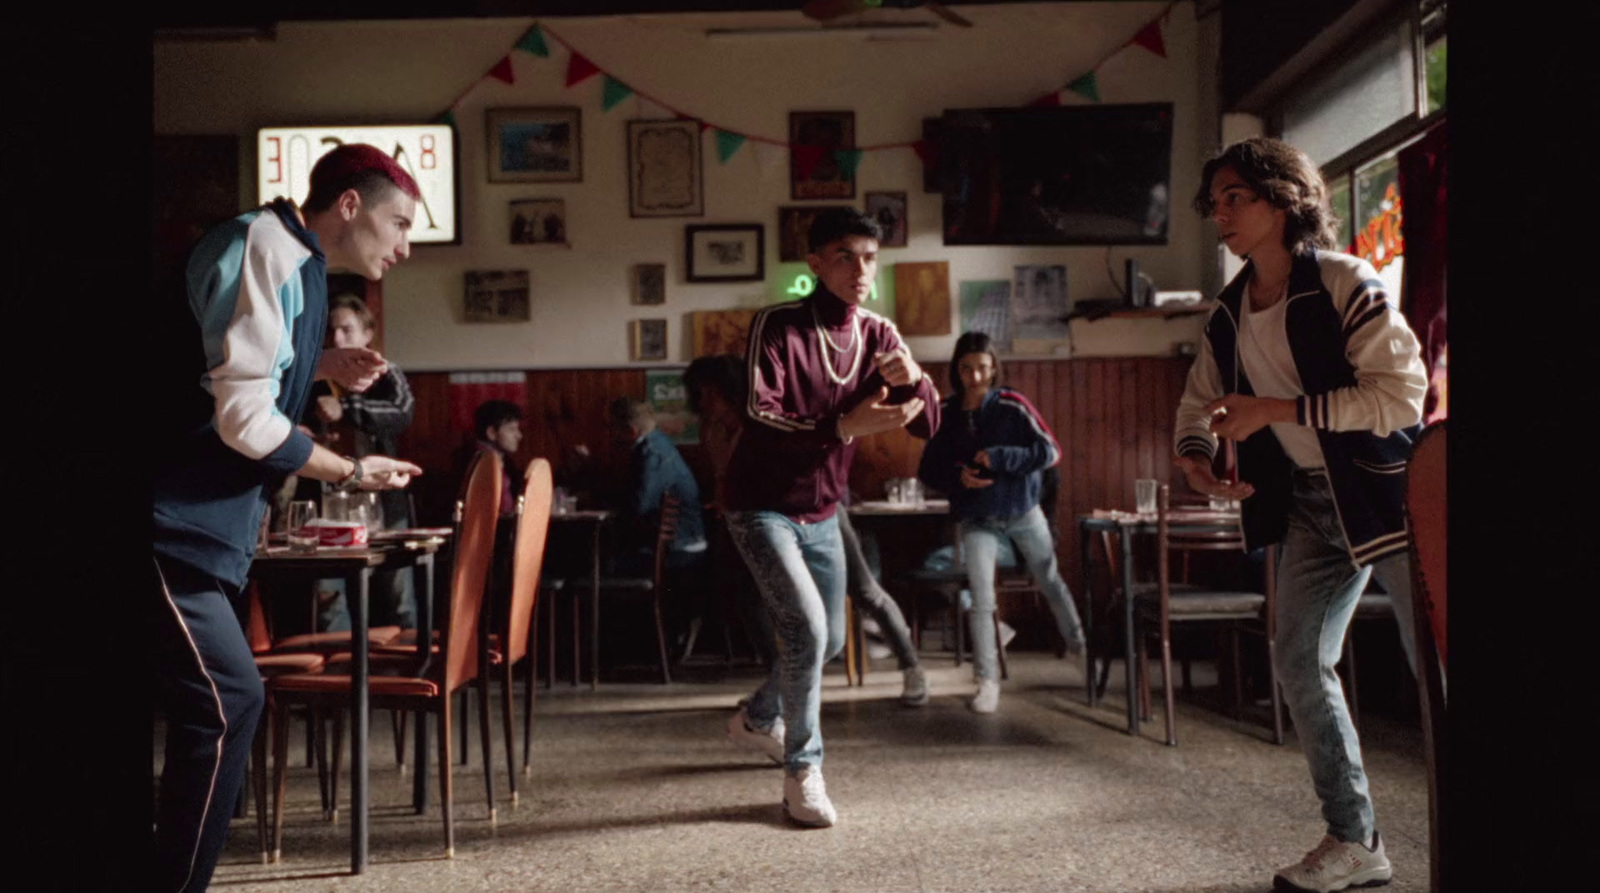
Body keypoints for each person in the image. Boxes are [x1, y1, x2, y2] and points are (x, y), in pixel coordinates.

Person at [149, 143, 424, 893]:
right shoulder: (262, 244)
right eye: (398, 223)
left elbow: (247, 373)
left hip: (199, 531)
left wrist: (323, 368)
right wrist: (351, 469)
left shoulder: (295, 259)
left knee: (220, 705)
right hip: (167, 524)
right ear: (349, 206)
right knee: (230, 701)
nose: (404, 244)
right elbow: (242, 415)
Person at [1176, 136, 1427, 893]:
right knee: (1298, 658)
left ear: (1283, 198)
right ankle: (1356, 838)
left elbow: (1403, 395)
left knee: (1438, 671)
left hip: (1394, 496)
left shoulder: (1348, 279)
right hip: (1311, 506)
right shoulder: (1226, 312)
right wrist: (1195, 454)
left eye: (1234, 197)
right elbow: (1199, 399)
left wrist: (1276, 410)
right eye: (1214, 201)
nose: (1219, 214)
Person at [720, 208, 940, 827]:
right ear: (814, 263)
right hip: (760, 505)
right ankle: (802, 772)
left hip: (823, 509)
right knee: (810, 633)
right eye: (845, 255)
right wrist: (843, 426)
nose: (860, 268)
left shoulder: (879, 332)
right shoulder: (777, 325)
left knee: (832, 640)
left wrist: (917, 381)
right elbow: (760, 415)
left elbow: (928, 425)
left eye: (870, 256)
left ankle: (759, 717)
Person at [685, 354, 929, 706]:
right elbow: (725, 479)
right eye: (699, 392)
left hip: (816, 512)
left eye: (709, 391)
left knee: (864, 590)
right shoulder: (712, 431)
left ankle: (912, 667)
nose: (703, 400)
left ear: (728, 391)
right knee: (749, 595)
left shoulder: (763, 421)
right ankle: (781, 686)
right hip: (764, 521)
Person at [917, 331, 1085, 714]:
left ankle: (1078, 648)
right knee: (981, 600)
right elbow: (927, 468)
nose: (974, 376)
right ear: (956, 370)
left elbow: (1050, 451)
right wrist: (960, 474)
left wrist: (1000, 456)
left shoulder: (1013, 404)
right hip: (977, 520)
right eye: (966, 369)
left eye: (981, 368)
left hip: (1024, 513)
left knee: (1050, 580)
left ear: (993, 368)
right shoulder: (945, 413)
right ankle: (987, 680)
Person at [306, 292, 418, 630]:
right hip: (325, 504)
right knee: (329, 600)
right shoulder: (310, 375)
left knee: (399, 597)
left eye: (347, 330)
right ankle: (339, 681)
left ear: (368, 334)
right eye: (330, 331)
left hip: (383, 502)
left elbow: (402, 412)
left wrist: (348, 409)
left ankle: (411, 679)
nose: (337, 338)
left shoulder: (386, 372)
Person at [606, 396, 707, 574]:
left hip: (679, 549)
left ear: (631, 431)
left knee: (601, 564)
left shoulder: (652, 454)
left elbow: (639, 505)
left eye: (612, 428)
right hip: (681, 542)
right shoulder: (657, 443)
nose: (610, 434)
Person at [461, 399, 524, 636]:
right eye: (512, 429)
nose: (519, 435)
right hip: (484, 550)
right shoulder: (480, 462)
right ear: (491, 432)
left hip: (496, 543)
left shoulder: (499, 459)